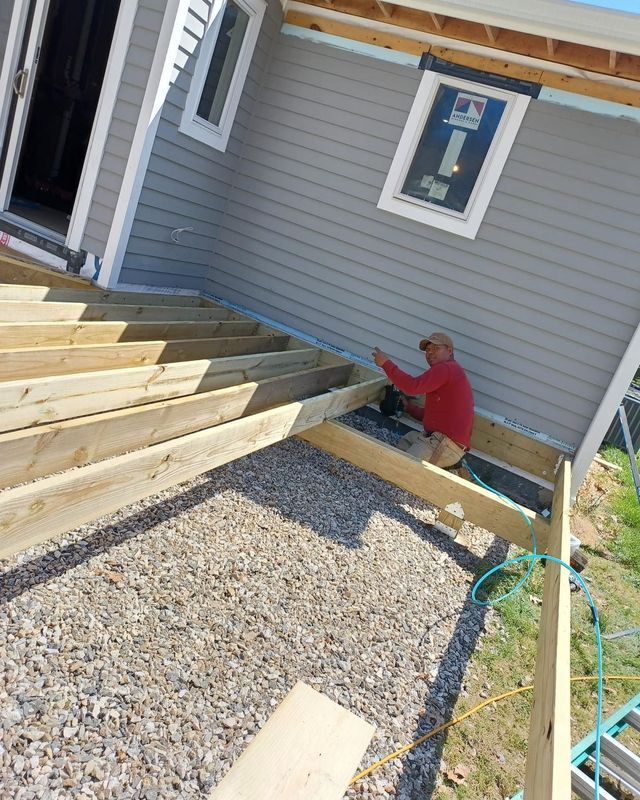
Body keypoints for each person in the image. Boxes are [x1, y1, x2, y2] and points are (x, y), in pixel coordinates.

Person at [372, 332, 474, 469]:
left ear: (449, 351)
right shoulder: (449, 371)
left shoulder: (446, 368)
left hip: (445, 445)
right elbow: (434, 415)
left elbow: (412, 387)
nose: (430, 353)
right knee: (407, 441)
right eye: (427, 350)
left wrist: (385, 364)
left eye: (436, 348)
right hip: (439, 440)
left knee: (402, 468)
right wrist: (409, 408)